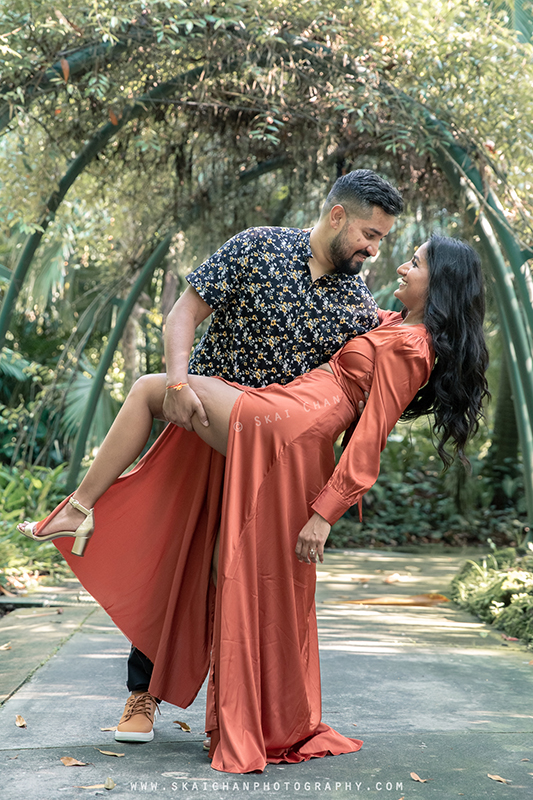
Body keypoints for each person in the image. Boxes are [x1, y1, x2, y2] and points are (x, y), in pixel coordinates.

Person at [18, 235, 489, 774]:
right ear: (339, 215)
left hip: (286, 424)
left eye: (416, 262)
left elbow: (371, 436)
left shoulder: (412, 345)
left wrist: (324, 514)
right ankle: (234, 715)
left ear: (443, 281)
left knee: (153, 389)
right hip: (289, 420)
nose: (399, 265)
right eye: (388, 246)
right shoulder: (392, 324)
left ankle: (79, 507)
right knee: (231, 565)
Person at [123, 167, 404, 741]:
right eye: (369, 235)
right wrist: (176, 383)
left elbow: (366, 378)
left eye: (382, 242)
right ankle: (141, 696)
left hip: (273, 464)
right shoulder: (256, 247)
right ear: (336, 216)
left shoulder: (355, 301)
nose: (373, 250)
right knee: (179, 564)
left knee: (245, 581)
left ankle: (233, 710)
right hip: (202, 429)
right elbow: (184, 312)